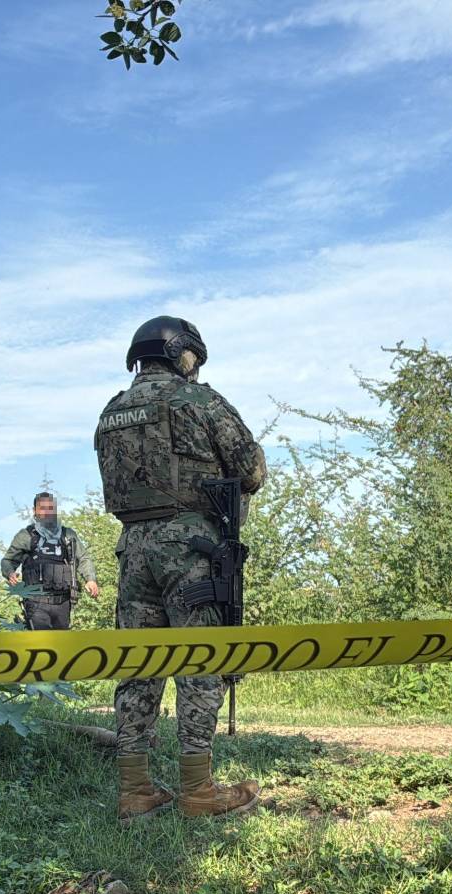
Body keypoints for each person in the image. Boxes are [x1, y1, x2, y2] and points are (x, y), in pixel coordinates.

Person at [94, 315, 267, 821]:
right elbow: (251, 470)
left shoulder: (111, 411)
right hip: (192, 548)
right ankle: (197, 791)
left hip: (132, 549)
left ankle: (135, 790)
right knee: (200, 662)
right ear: (180, 353)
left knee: (137, 667)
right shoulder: (200, 400)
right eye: (193, 357)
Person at [0, 492, 101, 630]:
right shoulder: (26, 535)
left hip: (63, 603)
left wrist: (90, 579)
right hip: (36, 604)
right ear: (35, 511)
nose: (47, 512)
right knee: (41, 643)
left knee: (61, 646)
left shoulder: (67, 535)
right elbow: (8, 560)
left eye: (50, 508)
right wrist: (10, 573)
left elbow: (83, 558)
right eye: (42, 508)